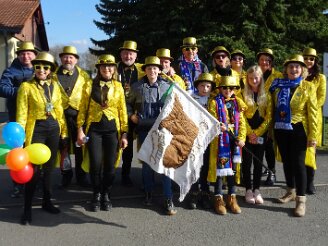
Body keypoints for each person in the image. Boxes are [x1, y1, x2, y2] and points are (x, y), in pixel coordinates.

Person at [16, 52, 68, 225]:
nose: (41, 70)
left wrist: (64, 134)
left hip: (53, 128)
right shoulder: (26, 87)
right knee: (33, 171)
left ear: (51, 70)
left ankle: (47, 201)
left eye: (46, 67)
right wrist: (19, 139)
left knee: (49, 169)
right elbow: (22, 114)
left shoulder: (55, 85)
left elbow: (60, 110)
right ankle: (27, 209)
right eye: (38, 66)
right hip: (36, 129)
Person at [76, 54, 128, 212]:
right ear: (99, 68)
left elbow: (122, 110)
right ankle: (96, 194)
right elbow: (82, 109)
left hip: (113, 130)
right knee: (95, 164)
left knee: (110, 166)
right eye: (104, 66)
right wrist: (79, 129)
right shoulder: (89, 85)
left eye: (110, 66)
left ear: (114, 69)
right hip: (95, 131)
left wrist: (125, 133)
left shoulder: (118, 86)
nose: (107, 69)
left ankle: (106, 193)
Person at [126, 56, 177, 215]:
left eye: (155, 68)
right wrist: (130, 115)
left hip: (163, 129)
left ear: (159, 70)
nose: (152, 71)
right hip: (144, 128)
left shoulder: (167, 86)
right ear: (145, 70)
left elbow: (175, 107)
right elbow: (127, 103)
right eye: (149, 68)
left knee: (165, 164)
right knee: (147, 163)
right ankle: (148, 191)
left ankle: (168, 197)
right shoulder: (137, 86)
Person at [269, 54, 317, 217]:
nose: (294, 69)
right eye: (291, 66)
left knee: (298, 163)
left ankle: (301, 200)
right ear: (286, 69)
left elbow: (313, 113)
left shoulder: (308, 87)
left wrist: (313, 136)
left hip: (298, 130)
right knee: (287, 162)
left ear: (302, 69)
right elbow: (272, 108)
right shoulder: (279, 85)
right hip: (281, 129)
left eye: (297, 66)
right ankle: (291, 191)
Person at [0, 41, 37, 198]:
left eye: (29, 53)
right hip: (17, 118)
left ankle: (36, 182)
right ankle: (18, 184)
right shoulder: (11, 71)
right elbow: (2, 89)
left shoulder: (40, 69)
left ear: (34, 55)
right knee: (18, 151)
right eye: (22, 53)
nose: (26, 56)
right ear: (18, 55)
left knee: (35, 148)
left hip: (36, 118)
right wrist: (23, 90)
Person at [208, 76, 246, 215]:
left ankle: (232, 197)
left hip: (234, 142)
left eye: (231, 88)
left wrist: (241, 138)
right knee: (220, 170)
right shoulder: (214, 102)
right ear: (220, 89)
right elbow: (211, 119)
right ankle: (218, 197)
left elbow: (242, 123)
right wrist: (218, 125)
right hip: (220, 142)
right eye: (225, 88)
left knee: (232, 170)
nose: (228, 90)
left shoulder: (238, 103)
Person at [56, 45, 92, 188]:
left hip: (79, 118)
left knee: (80, 147)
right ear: (61, 58)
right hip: (60, 118)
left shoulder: (84, 75)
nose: (68, 59)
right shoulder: (52, 75)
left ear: (76, 60)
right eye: (65, 57)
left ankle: (81, 176)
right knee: (63, 148)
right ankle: (66, 175)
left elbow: (89, 96)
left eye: (71, 57)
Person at [242, 65, 272, 204]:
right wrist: (250, 133)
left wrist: (258, 132)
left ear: (261, 79)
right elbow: (240, 115)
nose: (254, 80)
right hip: (247, 132)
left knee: (259, 161)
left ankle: (257, 189)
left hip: (261, 133)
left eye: (257, 78)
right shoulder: (242, 93)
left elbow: (269, 116)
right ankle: (248, 189)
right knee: (247, 162)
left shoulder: (266, 94)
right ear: (247, 79)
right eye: (251, 78)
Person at [117, 40, 145, 187]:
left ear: (136, 56)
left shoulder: (141, 69)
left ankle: (125, 174)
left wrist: (170, 71)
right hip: (116, 113)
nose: (128, 56)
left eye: (131, 53)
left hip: (135, 113)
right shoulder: (113, 69)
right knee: (113, 145)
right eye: (125, 53)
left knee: (129, 148)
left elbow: (159, 71)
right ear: (121, 54)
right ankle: (107, 175)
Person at [186, 72, 215, 209]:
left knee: (206, 166)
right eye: (202, 85)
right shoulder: (191, 97)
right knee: (194, 165)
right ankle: (193, 193)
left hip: (209, 138)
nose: (205, 88)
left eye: (208, 86)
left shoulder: (214, 100)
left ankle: (205, 193)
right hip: (194, 137)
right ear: (197, 86)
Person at [256, 48, 283, 186]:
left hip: (273, 116)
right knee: (259, 145)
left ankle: (272, 172)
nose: (264, 62)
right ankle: (260, 168)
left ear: (271, 62)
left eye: (267, 60)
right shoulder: (255, 74)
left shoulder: (278, 76)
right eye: (262, 59)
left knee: (269, 146)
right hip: (257, 116)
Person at [303, 47, 326, 195]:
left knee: (311, 150)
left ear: (315, 61)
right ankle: (299, 178)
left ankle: (310, 181)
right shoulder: (298, 74)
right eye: (306, 58)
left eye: (311, 59)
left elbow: (321, 99)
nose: (308, 61)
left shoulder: (320, 78)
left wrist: (307, 109)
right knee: (298, 150)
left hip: (313, 117)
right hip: (298, 118)